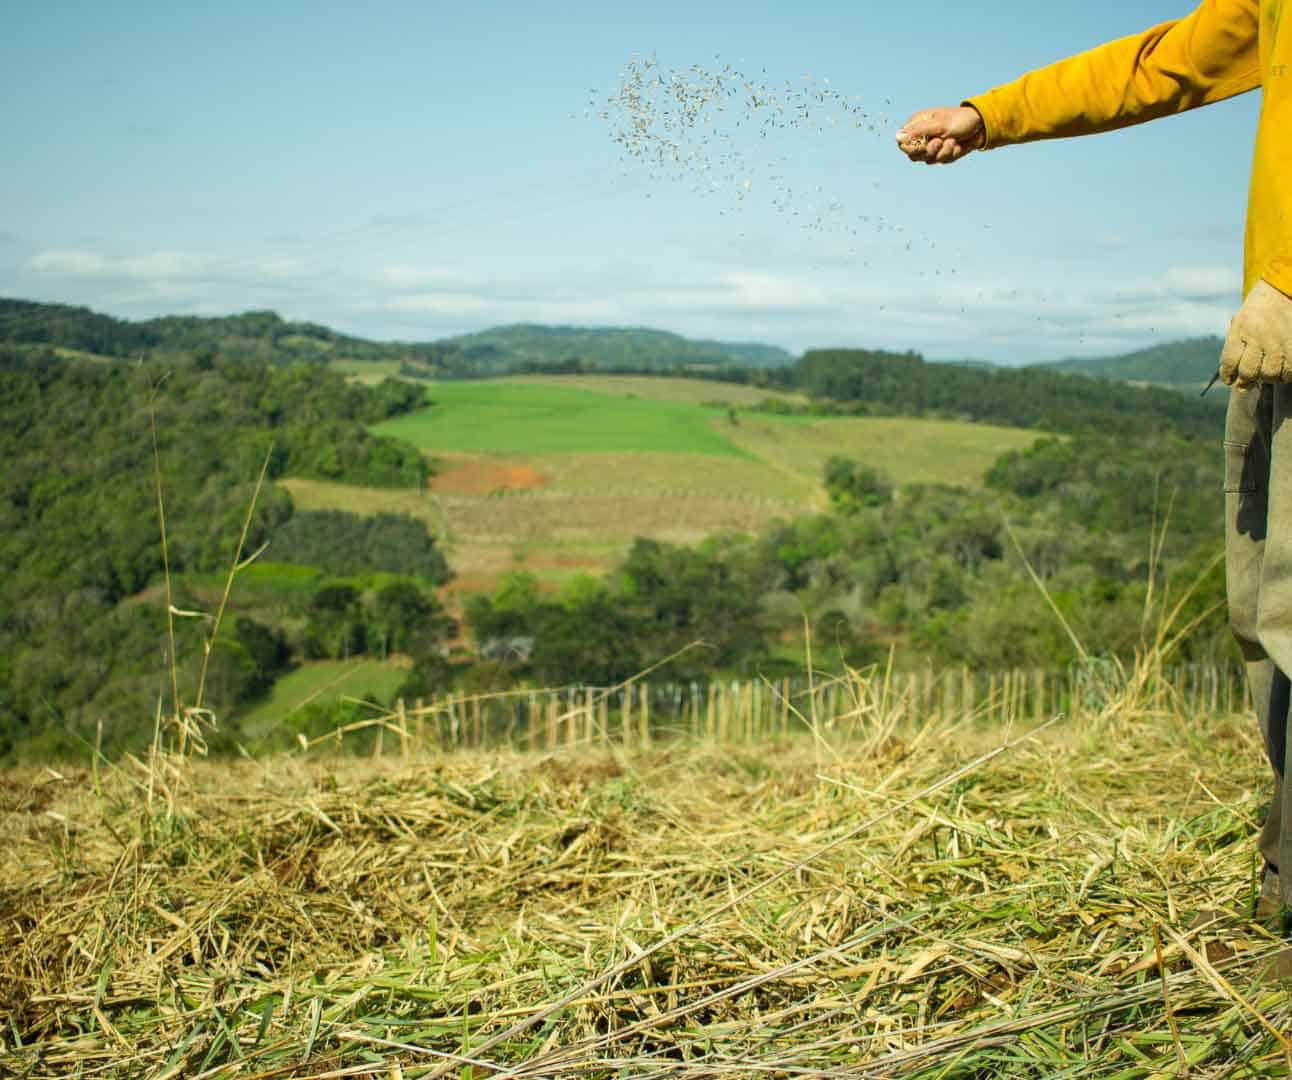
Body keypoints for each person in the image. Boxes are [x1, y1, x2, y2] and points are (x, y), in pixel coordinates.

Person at [894, 0, 1292, 929]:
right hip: (1275, 340)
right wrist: (988, 115)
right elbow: (1160, 63)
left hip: (1285, 313)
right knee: (1266, 626)